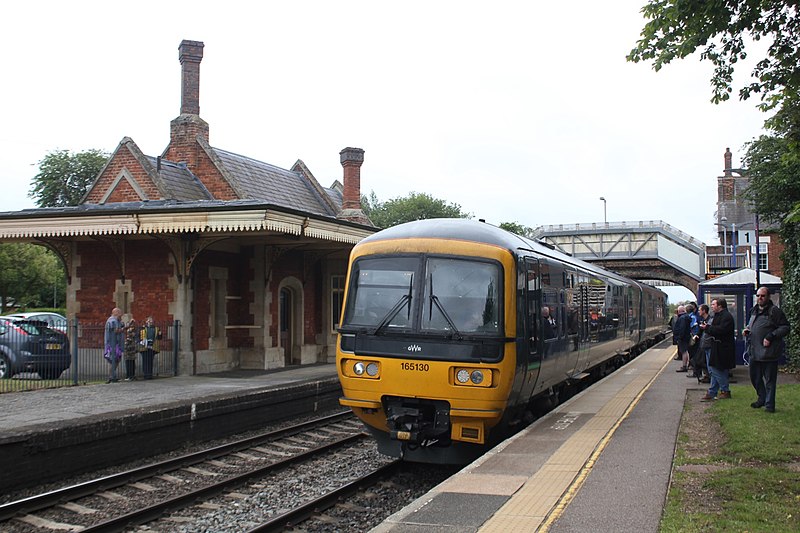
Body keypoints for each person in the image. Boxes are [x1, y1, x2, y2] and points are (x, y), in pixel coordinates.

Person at [744, 287, 791, 413]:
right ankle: (762, 398)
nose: (760, 298)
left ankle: (770, 405)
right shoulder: (753, 311)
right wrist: (747, 330)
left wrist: (771, 336)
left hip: (769, 352)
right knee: (755, 377)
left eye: (763, 296)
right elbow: (751, 325)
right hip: (754, 350)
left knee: (770, 380)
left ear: (768, 297)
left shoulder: (774, 311)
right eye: (758, 296)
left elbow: (785, 327)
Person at [699, 298, 735, 400]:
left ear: (720, 306)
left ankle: (725, 390)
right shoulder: (719, 316)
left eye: (714, 304)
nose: (712, 306)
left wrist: (707, 328)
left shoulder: (726, 317)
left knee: (716, 370)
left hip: (723, 347)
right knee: (716, 368)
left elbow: (721, 330)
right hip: (717, 346)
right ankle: (712, 392)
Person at [104, 307, 125, 383]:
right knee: (113, 360)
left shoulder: (117, 321)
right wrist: (123, 329)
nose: (121, 315)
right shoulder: (112, 320)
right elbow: (115, 331)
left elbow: (121, 325)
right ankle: (111, 376)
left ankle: (113, 375)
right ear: (115, 313)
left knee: (117, 359)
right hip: (112, 345)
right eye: (119, 313)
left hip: (117, 344)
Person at [673, 305, 691, 372]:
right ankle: (685, 365)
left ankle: (684, 366)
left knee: (684, 351)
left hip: (683, 338)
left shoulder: (682, 318)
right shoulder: (685, 317)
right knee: (685, 351)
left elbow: (682, 329)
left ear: (679, 311)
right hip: (685, 337)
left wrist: (679, 337)